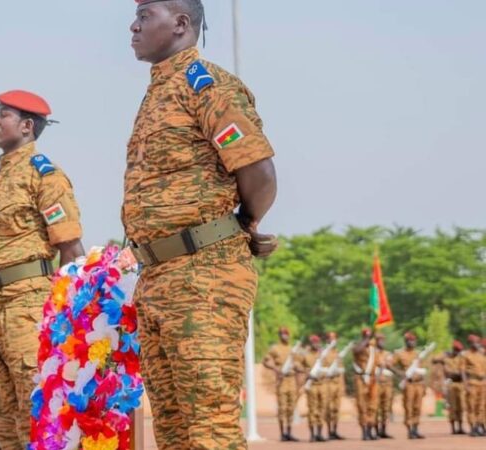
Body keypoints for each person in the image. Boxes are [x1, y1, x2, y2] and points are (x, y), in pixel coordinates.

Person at [124, 1, 278, 448]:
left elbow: (258, 172)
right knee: (172, 430)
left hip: (203, 275)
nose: (133, 26)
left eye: (146, 14)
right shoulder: (158, 91)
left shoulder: (205, 86)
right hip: (156, 278)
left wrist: (244, 223)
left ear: (180, 24)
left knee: (209, 425)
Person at [0, 88, 85, 450]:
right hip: (1, 305)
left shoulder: (45, 176)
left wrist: (63, 316)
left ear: (26, 126)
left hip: (31, 306)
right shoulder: (0, 177)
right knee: (6, 419)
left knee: (36, 411)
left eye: (3, 115)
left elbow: (71, 249)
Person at [262, 327, 300, 441]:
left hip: (292, 380)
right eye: (283, 334)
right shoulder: (275, 348)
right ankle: (282, 433)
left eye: (287, 334)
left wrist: (297, 368)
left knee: (291, 407)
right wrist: (275, 369)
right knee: (282, 408)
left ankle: (289, 432)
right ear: (280, 335)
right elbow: (265, 361)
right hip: (282, 381)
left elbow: (298, 364)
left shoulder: (292, 349)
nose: (286, 336)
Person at [392, 331, 429, 439]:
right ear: (406, 342)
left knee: (418, 407)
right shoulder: (399, 353)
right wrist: (400, 373)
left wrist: (424, 384)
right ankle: (409, 430)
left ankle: (415, 429)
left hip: (419, 384)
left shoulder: (418, 354)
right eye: (410, 341)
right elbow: (390, 365)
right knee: (408, 407)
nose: (412, 343)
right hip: (408, 384)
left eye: (413, 340)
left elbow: (422, 369)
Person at [352, 328, 379, 440]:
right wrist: (365, 341)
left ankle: (370, 429)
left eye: (369, 336)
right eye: (365, 336)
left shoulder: (373, 349)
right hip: (361, 378)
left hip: (372, 379)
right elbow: (356, 351)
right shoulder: (358, 346)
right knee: (362, 404)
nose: (368, 338)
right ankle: (364, 431)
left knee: (372, 405)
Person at [301, 335, 328, 442]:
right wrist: (307, 373)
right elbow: (299, 366)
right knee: (312, 409)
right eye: (313, 342)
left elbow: (327, 368)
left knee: (322, 409)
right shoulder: (306, 356)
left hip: (322, 384)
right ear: (310, 343)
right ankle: (312, 434)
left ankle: (319, 434)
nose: (315, 344)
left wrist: (322, 373)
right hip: (311, 385)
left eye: (317, 342)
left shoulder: (322, 356)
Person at [437, 340, 466, 435]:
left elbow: (462, 372)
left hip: (460, 384)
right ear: (453, 350)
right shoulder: (447, 360)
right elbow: (448, 373)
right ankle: (453, 428)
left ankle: (460, 427)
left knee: (461, 406)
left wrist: (457, 374)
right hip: (451, 384)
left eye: (459, 351)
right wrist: (456, 374)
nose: (457, 352)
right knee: (452, 407)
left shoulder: (461, 359)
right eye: (456, 350)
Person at [321, 332, 345, 440]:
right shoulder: (323, 353)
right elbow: (320, 368)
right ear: (327, 340)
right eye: (331, 338)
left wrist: (342, 385)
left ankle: (334, 431)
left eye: (334, 338)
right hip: (328, 382)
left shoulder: (338, 352)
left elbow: (341, 369)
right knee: (328, 408)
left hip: (337, 382)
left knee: (336, 408)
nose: (333, 340)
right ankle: (329, 431)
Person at [462, 334, 485, 436]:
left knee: (481, 406)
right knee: (471, 406)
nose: (477, 344)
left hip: (483, 383)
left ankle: (479, 425)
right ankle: (473, 427)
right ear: (470, 343)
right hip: (472, 383)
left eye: (478, 342)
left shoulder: (482, 355)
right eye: (474, 342)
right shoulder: (466, 355)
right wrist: (465, 384)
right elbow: (462, 371)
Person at [374, 332, 395, 439]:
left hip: (387, 384)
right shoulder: (372, 353)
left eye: (383, 340)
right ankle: (376, 431)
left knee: (385, 408)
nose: (382, 342)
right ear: (376, 342)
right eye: (379, 340)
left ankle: (383, 430)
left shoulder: (388, 353)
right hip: (376, 384)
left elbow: (390, 365)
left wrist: (387, 364)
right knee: (376, 408)